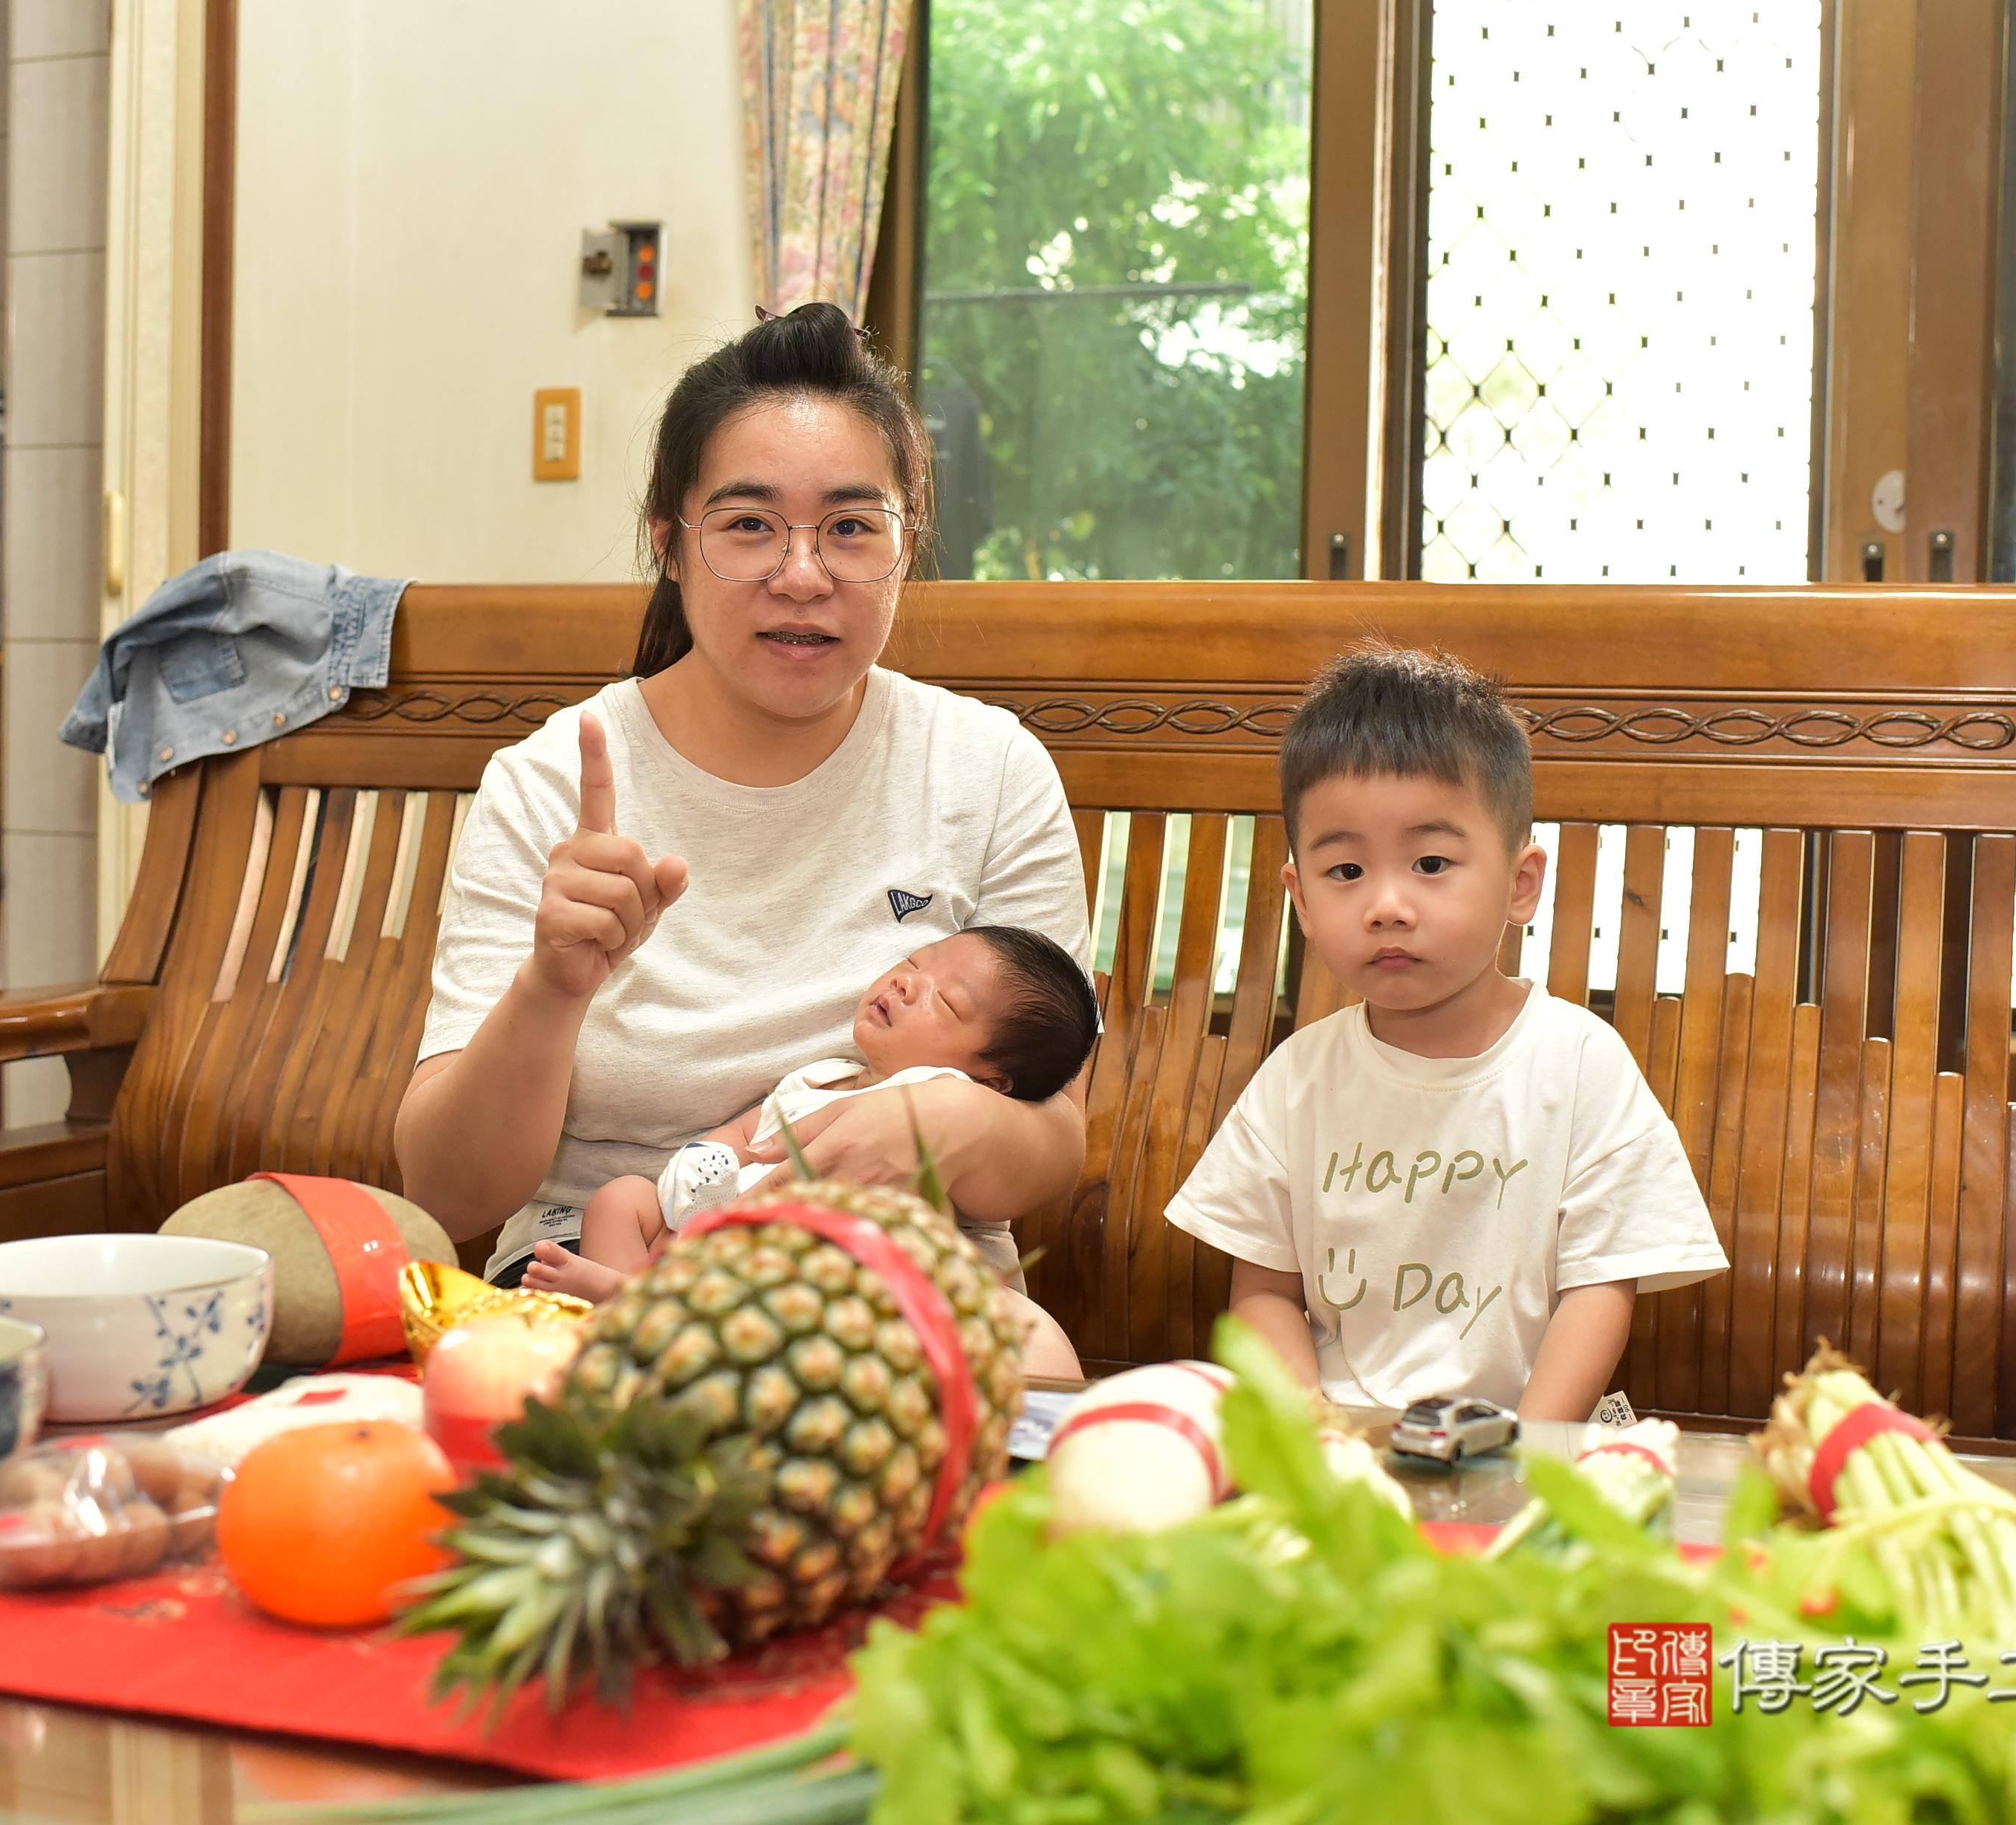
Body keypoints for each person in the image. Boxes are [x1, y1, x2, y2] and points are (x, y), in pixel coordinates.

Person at [393, 305, 1094, 1369]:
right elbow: (446, 1192)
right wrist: (553, 985)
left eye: (852, 528)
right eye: (750, 525)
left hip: (897, 1288)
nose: (803, 575)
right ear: (671, 545)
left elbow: (1052, 1141)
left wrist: (942, 1131)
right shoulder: (549, 783)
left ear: (908, 548)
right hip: (607, 1290)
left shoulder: (988, 772)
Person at [1164, 645, 1727, 1419]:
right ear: (1298, 897)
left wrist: (1529, 1451)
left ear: (1519, 883)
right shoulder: (1299, 1077)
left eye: (1429, 861)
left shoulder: (1577, 1062)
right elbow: (1262, 1290)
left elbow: (1599, 1287)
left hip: (1535, 1440)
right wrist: (1311, 1433)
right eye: (1345, 871)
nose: (1386, 903)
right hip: (1346, 1441)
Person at [548, 927, 1099, 1294]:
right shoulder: (822, 1074)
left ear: (991, 1081)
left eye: (948, 1002)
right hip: (712, 1215)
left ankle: (637, 1307)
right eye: (914, 962)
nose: (906, 982)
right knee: (622, 1199)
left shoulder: (942, 1090)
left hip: (811, 1264)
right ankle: (625, 1302)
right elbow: (752, 1133)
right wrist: (712, 1153)